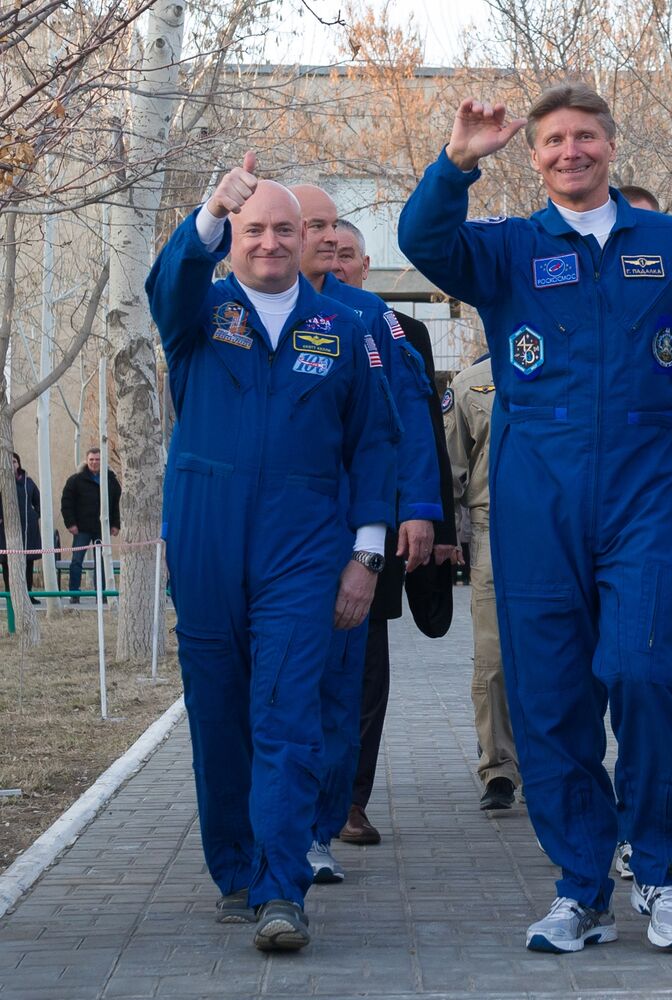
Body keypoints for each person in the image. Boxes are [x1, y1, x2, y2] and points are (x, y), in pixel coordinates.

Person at [399, 82, 672, 953]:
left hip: (646, 492)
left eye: (584, 137)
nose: (569, 153)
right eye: (551, 141)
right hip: (535, 498)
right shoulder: (509, 248)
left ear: (611, 146)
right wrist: (458, 162)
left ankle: (659, 875)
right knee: (549, 700)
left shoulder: (667, 244)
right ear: (535, 154)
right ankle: (580, 887)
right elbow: (422, 240)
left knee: (646, 675)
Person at [146, 152, 397, 952]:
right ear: (233, 238)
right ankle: (237, 872)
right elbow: (169, 282)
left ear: (306, 238)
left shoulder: (347, 329)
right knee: (220, 715)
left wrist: (366, 555)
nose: (269, 243)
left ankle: (282, 887)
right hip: (208, 537)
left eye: (284, 230)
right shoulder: (199, 313)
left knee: (287, 714)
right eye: (253, 230)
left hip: (303, 544)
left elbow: (375, 448)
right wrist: (210, 211)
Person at [289, 184, 444, 886]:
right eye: (309, 227)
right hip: (269, 532)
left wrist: (417, 509)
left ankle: (329, 816)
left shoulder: (370, 319)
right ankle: (272, 822)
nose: (324, 242)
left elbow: (404, 423)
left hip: (355, 532)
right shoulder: (245, 308)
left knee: (347, 680)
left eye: (333, 230)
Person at [328, 218, 461, 845]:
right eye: (323, 245)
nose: (337, 261)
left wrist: (430, 518)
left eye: (347, 253)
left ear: (364, 262)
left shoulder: (397, 330)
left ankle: (351, 800)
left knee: (366, 668)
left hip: (378, 528)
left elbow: (422, 431)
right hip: (309, 523)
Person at [444, 352, 522, 811]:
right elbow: (452, 463)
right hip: (494, 526)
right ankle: (498, 769)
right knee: (492, 657)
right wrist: (448, 537)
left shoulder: (565, 359)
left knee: (555, 652)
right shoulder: (471, 382)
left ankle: (553, 762)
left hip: (557, 524)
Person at [60, 446, 120, 603]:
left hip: (102, 528)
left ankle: (102, 595)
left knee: (102, 562)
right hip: (81, 529)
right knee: (76, 561)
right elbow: (66, 503)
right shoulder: (75, 480)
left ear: (102, 461)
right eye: (91, 459)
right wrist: (70, 524)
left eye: (98, 459)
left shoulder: (111, 480)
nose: (94, 462)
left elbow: (117, 504)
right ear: (86, 461)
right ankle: (74, 595)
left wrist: (116, 524)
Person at [1, 452, 42, 602]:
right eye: (9, 462)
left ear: (19, 463)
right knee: (7, 562)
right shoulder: (2, 482)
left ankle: (28, 595)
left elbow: (39, 502)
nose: (12, 464)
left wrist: (34, 515)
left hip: (27, 529)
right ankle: (10, 595)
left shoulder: (28, 482)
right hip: (6, 529)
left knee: (28, 562)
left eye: (14, 461)